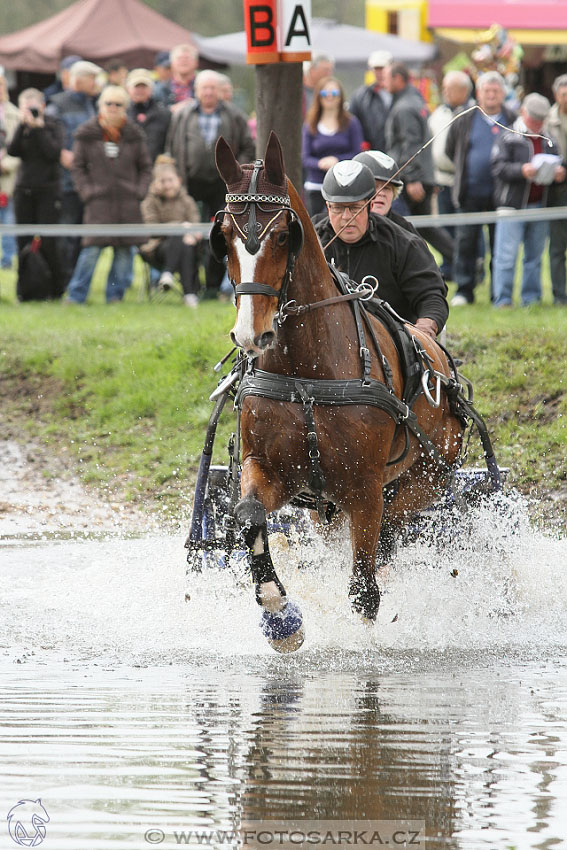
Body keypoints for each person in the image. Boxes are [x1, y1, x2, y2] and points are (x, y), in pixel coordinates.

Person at [314, 160, 448, 338]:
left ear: (370, 206)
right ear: (328, 206)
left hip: (391, 341)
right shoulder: (310, 242)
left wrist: (423, 330)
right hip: (325, 337)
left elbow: (431, 297)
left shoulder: (402, 242)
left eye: (355, 208)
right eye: (338, 208)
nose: (346, 217)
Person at [166, 69, 255, 297]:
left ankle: (214, 286)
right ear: (196, 90)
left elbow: (248, 147)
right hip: (190, 183)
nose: (208, 92)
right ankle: (192, 286)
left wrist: (236, 170)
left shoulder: (234, 115)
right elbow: (172, 146)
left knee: (221, 233)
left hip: (223, 186)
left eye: (212, 88)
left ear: (220, 91)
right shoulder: (183, 115)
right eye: (204, 88)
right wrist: (176, 174)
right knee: (191, 233)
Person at [65, 86, 152, 304]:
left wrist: (139, 192)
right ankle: (76, 296)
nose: (112, 108)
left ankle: (115, 297)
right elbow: (77, 167)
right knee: (91, 251)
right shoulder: (86, 134)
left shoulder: (134, 135)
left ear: (125, 108)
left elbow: (145, 168)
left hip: (128, 203)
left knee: (123, 253)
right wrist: (87, 192)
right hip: (98, 204)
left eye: (118, 104)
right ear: (100, 106)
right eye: (108, 103)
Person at [445, 71, 516, 305]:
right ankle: (464, 290)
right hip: (470, 193)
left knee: (499, 245)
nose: (491, 95)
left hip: (502, 195)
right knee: (465, 243)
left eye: (496, 91)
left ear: (503, 94)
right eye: (487, 91)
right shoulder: (465, 118)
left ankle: (499, 292)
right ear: (479, 93)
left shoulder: (512, 119)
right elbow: (451, 149)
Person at [491, 93, 565, 308]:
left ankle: (531, 299)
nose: (537, 125)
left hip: (539, 205)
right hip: (511, 205)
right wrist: (521, 170)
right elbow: (497, 167)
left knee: (534, 256)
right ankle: (503, 299)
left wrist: (559, 173)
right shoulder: (508, 136)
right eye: (534, 120)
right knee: (506, 256)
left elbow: (559, 163)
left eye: (541, 121)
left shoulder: (549, 139)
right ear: (523, 112)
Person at [384, 62, 454, 276]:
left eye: (387, 78)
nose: (383, 82)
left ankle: (455, 262)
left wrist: (413, 178)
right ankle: (458, 261)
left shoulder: (405, 106)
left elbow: (411, 143)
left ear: (398, 79)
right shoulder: (412, 100)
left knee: (411, 227)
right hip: (418, 175)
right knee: (424, 227)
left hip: (412, 178)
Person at [47, 60, 102, 286]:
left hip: (88, 182)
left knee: (82, 235)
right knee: (66, 233)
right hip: (65, 183)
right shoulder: (57, 105)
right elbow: (49, 138)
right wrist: (60, 152)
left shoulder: (94, 104)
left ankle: (75, 283)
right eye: (92, 79)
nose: (96, 83)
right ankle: (63, 281)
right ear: (79, 80)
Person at [7, 88, 64, 299]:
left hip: (48, 190)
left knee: (49, 242)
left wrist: (39, 129)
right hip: (24, 190)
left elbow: (53, 153)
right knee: (23, 241)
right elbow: (12, 150)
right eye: (26, 107)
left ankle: (55, 290)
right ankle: (24, 290)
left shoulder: (53, 125)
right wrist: (23, 126)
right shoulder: (22, 127)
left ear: (42, 106)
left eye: (33, 107)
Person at [429, 70, 474, 279]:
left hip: (464, 182)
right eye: (444, 88)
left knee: (466, 230)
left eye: (450, 88)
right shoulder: (439, 113)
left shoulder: (473, 112)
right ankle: (449, 266)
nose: (445, 92)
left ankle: (470, 267)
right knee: (445, 226)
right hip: (441, 180)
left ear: (464, 90)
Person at [141, 154, 201, 307]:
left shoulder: (187, 201)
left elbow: (196, 225)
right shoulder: (150, 201)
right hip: (158, 249)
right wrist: (181, 227)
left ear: (178, 180)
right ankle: (189, 294)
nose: (167, 185)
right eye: (163, 181)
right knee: (179, 237)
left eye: (170, 180)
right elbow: (152, 229)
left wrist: (192, 235)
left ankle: (168, 274)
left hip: (188, 245)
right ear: (155, 182)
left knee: (185, 246)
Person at [302, 76, 363, 216]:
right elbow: (305, 158)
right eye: (325, 93)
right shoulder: (310, 124)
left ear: (340, 97)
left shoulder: (351, 123)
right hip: (316, 187)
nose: (330, 97)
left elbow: (357, 153)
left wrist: (337, 160)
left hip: (345, 186)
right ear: (318, 97)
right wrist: (320, 163)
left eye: (334, 93)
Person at [353, 149, 419, 235]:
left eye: (387, 188)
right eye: (374, 187)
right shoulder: (340, 226)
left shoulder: (405, 230)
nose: (381, 193)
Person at [545, 74, 567, 305]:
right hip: (557, 190)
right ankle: (560, 296)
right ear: (556, 95)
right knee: (558, 248)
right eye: (564, 95)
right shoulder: (547, 122)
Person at [349, 50, 393, 153]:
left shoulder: (402, 94)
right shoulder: (361, 97)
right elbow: (352, 125)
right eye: (376, 69)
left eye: (382, 68)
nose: (380, 73)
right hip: (372, 154)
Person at [126, 68, 171, 162]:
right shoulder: (121, 114)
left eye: (144, 87)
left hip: (154, 167)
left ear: (151, 89)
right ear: (128, 89)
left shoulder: (164, 114)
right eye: (136, 87)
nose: (140, 90)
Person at [0, 71, 21, 270]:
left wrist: (6, 164)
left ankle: (7, 259)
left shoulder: (14, 114)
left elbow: (20, 147)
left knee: (8, 219)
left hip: (8, 176)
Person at [154, 43, 199, 112]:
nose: (183, 61)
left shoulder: (206, 87)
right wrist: (170, 110)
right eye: (179, 58)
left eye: (187, 58)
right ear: (172, 63)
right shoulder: (159, 90)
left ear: (196, 63)